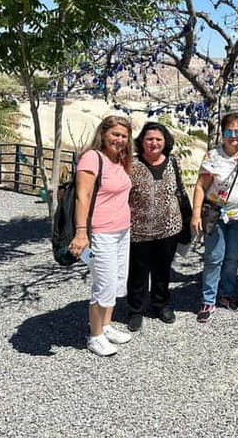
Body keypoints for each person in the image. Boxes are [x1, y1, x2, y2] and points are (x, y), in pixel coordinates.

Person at [68, 115, 134, 357]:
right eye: (115, 134)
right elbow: (81, 197)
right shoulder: (92, 158)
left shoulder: (118, 160)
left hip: (121, 230)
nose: (120, 139)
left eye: (124, 136)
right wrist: (81, 233)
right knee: (103, 284)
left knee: (116, 280)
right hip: (99, 232)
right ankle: (94, 336)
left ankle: (106, 326)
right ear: (103, 134)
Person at [126, 122, 187, 332]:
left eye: (158, 139)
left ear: (165, 142)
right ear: (141, 141)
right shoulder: (131, 164)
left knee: (163, 270)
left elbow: (181, 192)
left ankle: (160, 304)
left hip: (169, 227)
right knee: (137, 271)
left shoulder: (173, 162)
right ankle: (136, 309)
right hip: (138, 229)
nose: (154, 143)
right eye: (149, 139)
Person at [191, 113, 238, 323]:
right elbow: (200, 186)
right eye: (229, 131)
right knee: (214, 257)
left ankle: (226, 294)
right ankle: (208, 299)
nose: (233, 136)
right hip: (215, 214)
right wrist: (196, 213)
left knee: (232, 257)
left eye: (237, 132)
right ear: (223, 133)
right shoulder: (212, 156)